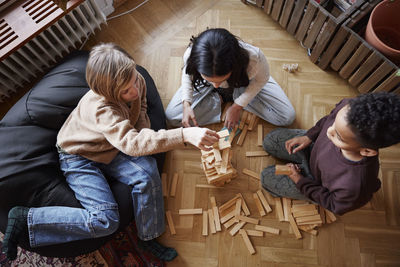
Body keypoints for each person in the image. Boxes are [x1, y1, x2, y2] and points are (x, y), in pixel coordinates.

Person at [2, 43, 220, 261]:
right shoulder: (103, 109)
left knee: (147, 170)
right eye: (125, 91)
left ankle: (148, 236)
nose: (134, 90)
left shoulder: (137, 81)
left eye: (134, 79)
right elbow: (131, 144)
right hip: (79, 157)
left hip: (110, 146)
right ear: (109, 94)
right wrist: (183, 135)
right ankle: (28, 219)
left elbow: (141, 107)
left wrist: (147, 136)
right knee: (105, 220)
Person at [261, 92, 400, 215]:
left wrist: (299, 179)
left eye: (338, 136)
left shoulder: (355, 185)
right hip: (313, 148)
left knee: (266, 177)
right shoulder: (349, 109)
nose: (329, 131)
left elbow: (333, 204)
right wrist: (309, 136)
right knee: (270, 140)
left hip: (315, 182)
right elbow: (328, 120)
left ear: (366, 151)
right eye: (334, 124)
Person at [165, 28, 295, 129]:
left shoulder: (255, 59)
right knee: (172, 117)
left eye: (220, 80)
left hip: (243, 82)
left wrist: (237, 106)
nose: (216, 86)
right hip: (205, 85)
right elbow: (188, 75)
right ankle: (219, 100)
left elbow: (261, 80)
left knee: (286, 117)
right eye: (211, 80)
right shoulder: (191, 54)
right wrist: (186, 104)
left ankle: (236, 98)